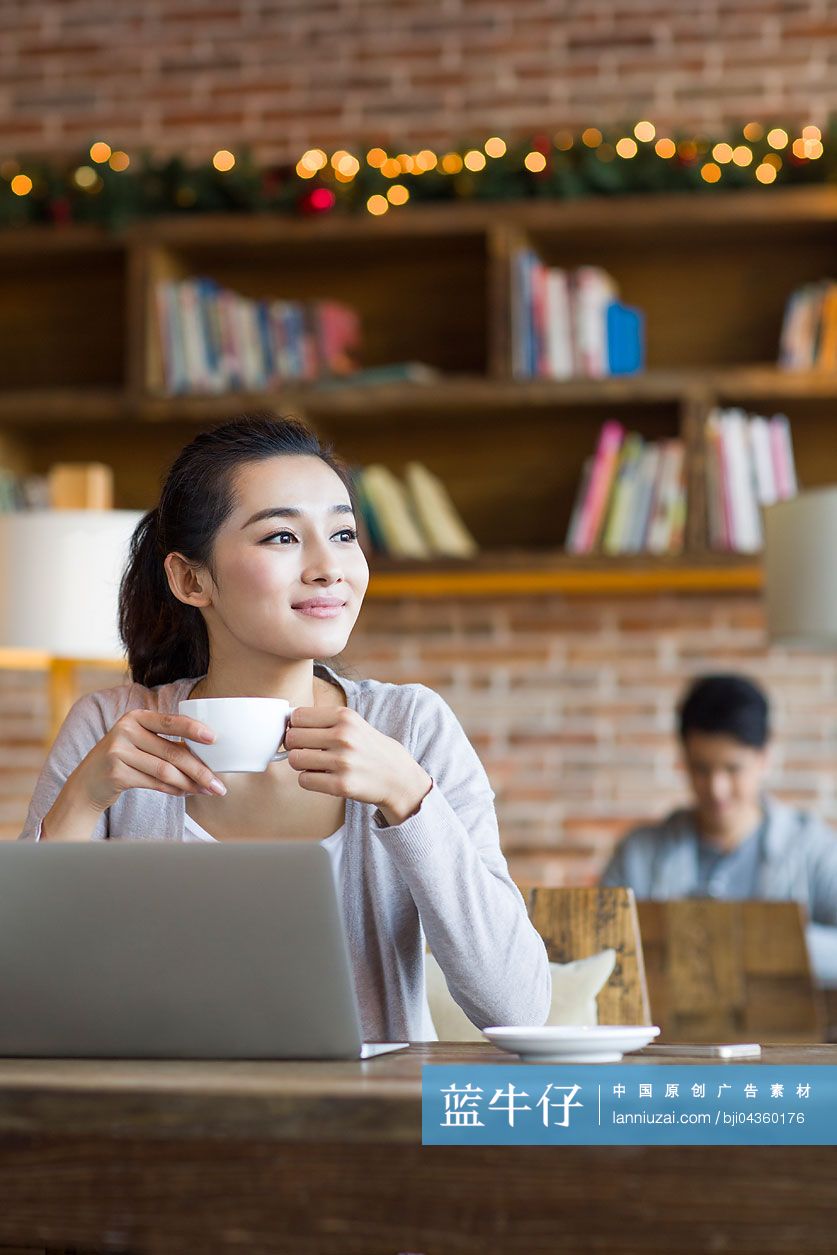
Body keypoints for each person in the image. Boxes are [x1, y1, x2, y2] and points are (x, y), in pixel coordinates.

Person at [18, 413, 551, 1041]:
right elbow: (22, 998)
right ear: (191, 579)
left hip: (361, 1126)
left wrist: (410, 799)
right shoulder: (110, 725)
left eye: (345, 533)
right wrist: (80, 804)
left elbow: (519, 1007)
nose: (330, 568)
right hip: (156, 1120)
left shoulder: (411, 726)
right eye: (281, 538)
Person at [600, 673, 837, 986]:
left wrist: (765, 944)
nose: (716, 789)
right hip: (666, 1035)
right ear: (684, 758)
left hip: (786, 1035)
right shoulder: (639, 853)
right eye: (701, 769)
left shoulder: (813, 847)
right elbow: (598, 952)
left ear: (764, 758)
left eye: (732, 769)